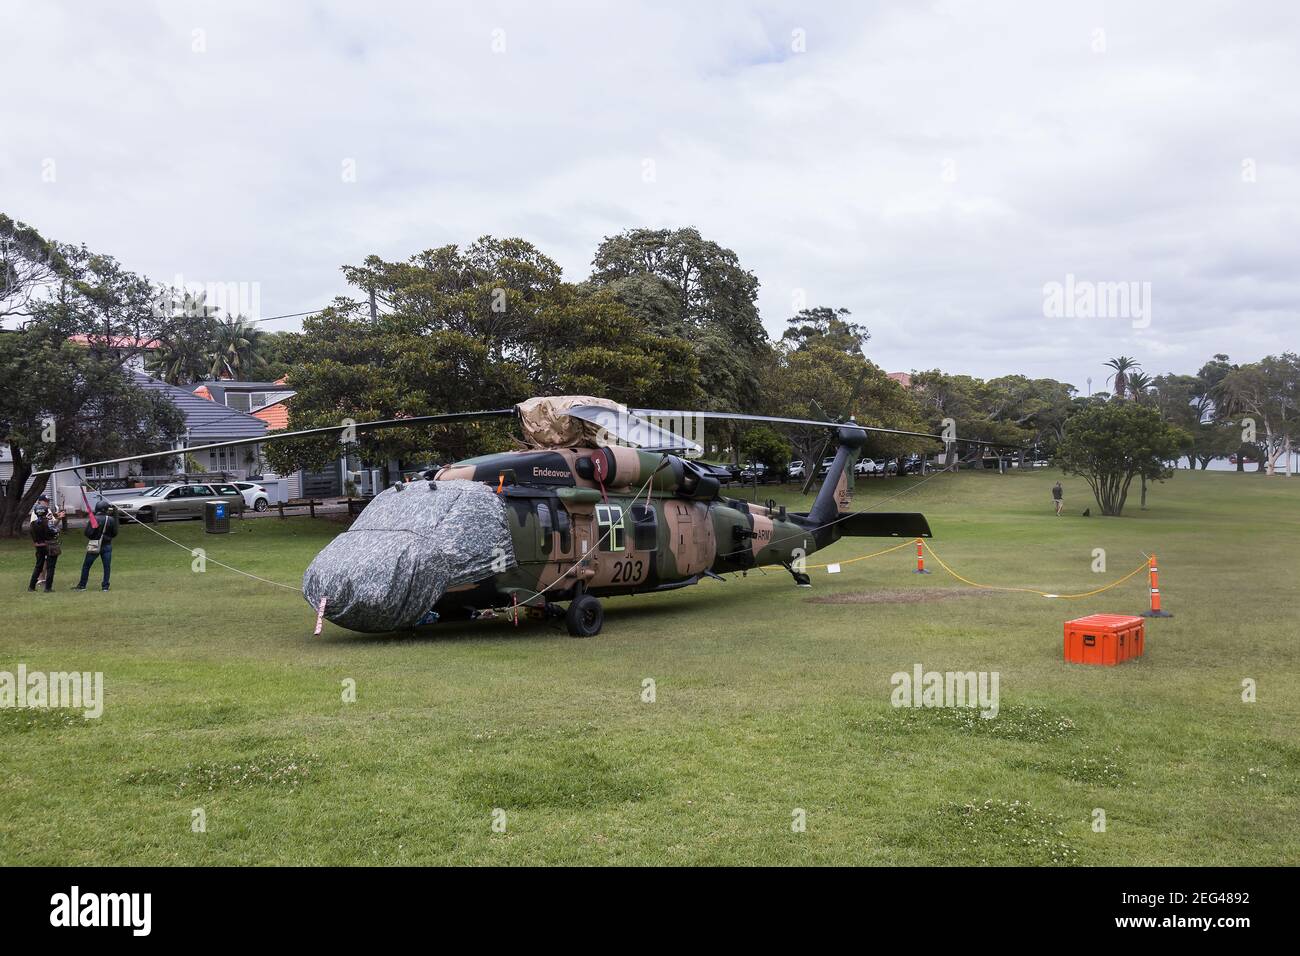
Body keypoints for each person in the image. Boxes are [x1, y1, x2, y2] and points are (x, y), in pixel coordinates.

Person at [75, 501, 118, 591]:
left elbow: (87, 533)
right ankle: (105, 586)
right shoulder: (110, 519)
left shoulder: (93, 519)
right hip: (107, 545)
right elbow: (114, 533)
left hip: (94, 544)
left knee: (86, 566)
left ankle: (82, 585)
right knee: (106, 567)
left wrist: (95, 536)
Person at [28, 498, 65, 592]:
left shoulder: (32, 524)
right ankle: (48, 588)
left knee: (38, 566)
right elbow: (55, 531)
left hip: (39, 546)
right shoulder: (47, 523)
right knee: (51, 567)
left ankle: (31, 586)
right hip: (50, 546)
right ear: (45, 512)